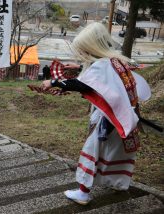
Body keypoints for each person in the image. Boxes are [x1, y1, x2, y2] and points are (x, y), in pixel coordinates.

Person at [42, 22, 151, 205]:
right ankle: (118, 183)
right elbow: (99, 82)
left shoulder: (101, 65)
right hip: (125, 117)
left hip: (108, 119)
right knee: (116, 152)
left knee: (92, 150)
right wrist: (77, 69)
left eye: (84, 50)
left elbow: (83, 85)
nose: (82, 55)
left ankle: (83, 193)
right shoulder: (117, 61)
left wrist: (53, 83)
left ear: (92, 47)